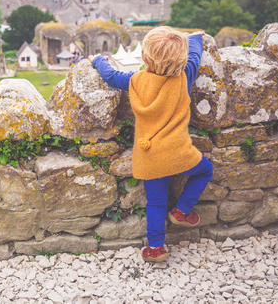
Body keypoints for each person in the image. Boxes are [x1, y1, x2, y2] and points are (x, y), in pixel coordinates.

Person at [88, 27, 213, 262]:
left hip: (149, 155)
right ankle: (182, 211)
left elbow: (112, 76)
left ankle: (156, 248)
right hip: (178, 152)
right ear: (182, 59)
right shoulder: (185, 75)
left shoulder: (136, 80)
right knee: (205, 171)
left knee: (155, 203)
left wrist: (96, 60)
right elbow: (195, 54)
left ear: (144, 57)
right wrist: (195, 36)